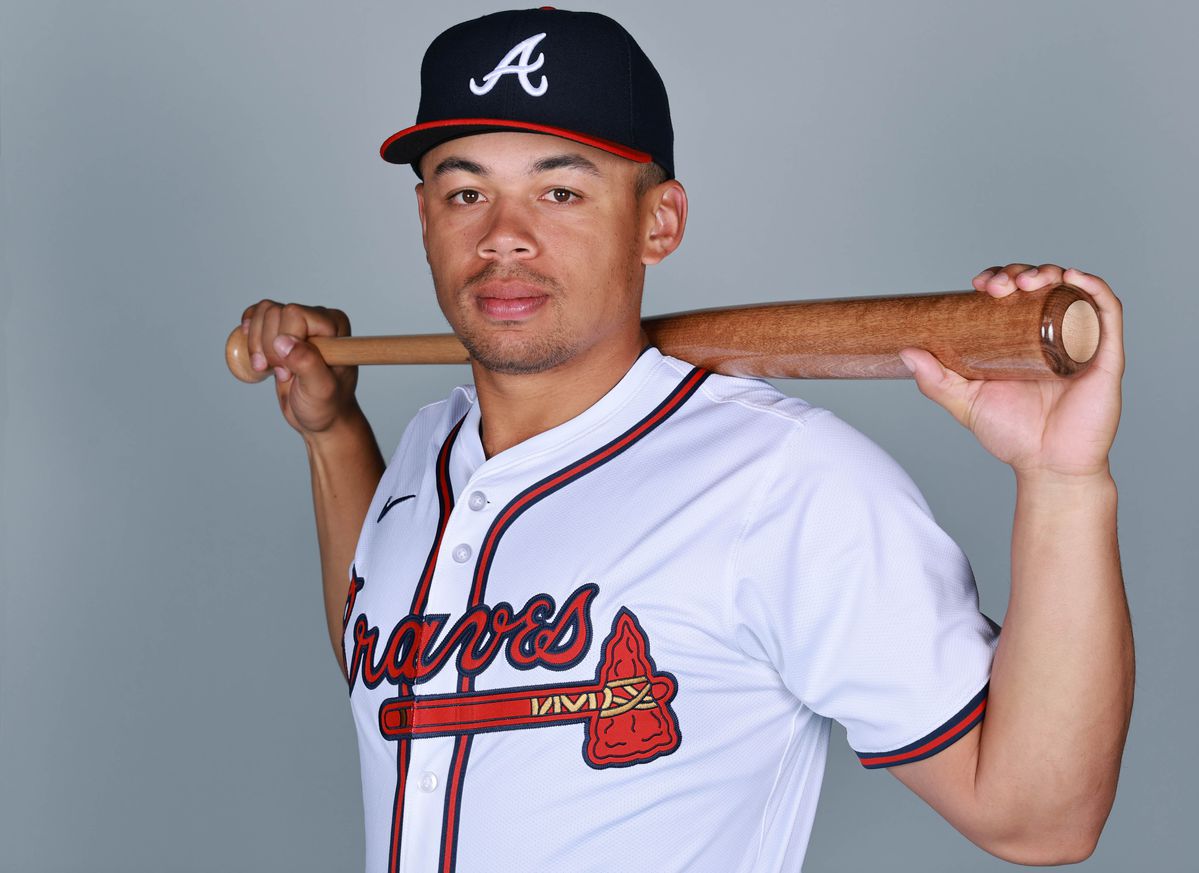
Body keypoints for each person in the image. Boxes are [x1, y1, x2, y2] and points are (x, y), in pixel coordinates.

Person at [238, 8, 1132, 873]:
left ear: (657, 222)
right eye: (466, 191)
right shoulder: (430, 444)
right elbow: (390, 671)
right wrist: (331, 431)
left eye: (560, 190)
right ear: (425, 216)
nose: (503, 237)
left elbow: (1039, 818)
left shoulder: (783, 483)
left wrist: (1064, 481)